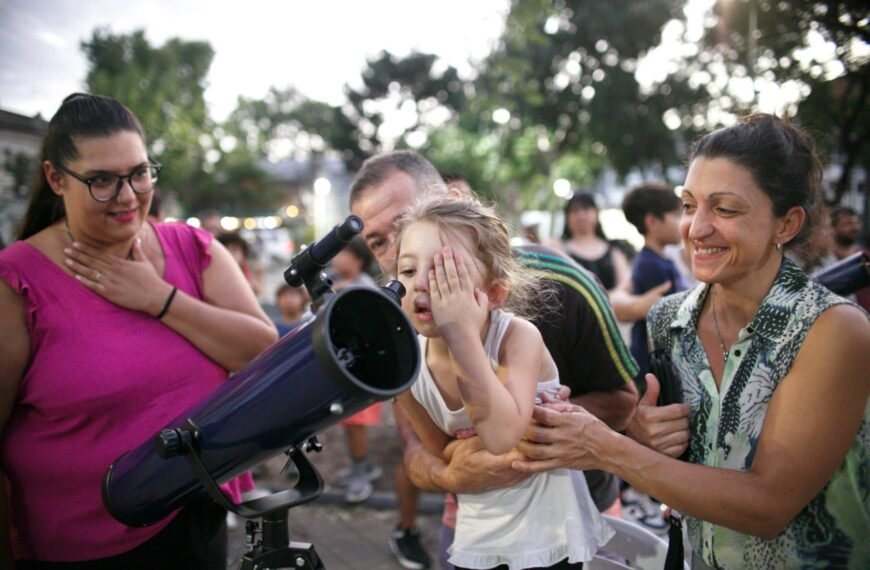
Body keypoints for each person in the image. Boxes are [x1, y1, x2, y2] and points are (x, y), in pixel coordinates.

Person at [514, 113, 870, 569]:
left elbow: (768, 506)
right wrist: (644, 434)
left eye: (724, 209)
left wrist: (607, 446)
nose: (696, 228)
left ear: (786, 224)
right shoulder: (670, 319)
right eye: (688, 204)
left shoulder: (834, 330)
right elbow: (674, 465)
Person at [0, 93, 279, 567]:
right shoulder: (18, 278)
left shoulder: (192, 248)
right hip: (80, 547)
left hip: (198, 519)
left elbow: (261, 354)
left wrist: (160, 299)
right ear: (55, 179)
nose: (128, 196)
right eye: (102, 180)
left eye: (139, 172)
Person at [349, 151, 638, 570]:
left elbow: (623, 401)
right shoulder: (409, 349)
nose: (400, 260)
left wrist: (465, 338)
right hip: (478, 525)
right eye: (381, 245)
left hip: (559, 529)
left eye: (443, 266)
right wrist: (450, 469)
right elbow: (431, 449)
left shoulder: (547, 303)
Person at [394, 196, 612, 569]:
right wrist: (464, 451)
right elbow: (441, 451)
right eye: (408, 271)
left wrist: (460, 334)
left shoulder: (517, 339)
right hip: (480, 535)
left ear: (493, 293)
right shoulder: (406, 367)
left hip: (550, 537)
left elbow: (499, 437)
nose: (421, 285)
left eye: (447, 273)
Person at [328, 237, 385, 504]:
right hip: (344, 366)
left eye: (342, 254)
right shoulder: (336, 282)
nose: (336, 259)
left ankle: (362, 473)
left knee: (357, 423)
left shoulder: (363, 288)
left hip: (362, 369)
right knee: (349, 423)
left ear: (358, 261)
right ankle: (360, 466)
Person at [620, 182, 685, 372]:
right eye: (675, 215)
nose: (681, 221)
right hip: (654, 366)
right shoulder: (651, 265)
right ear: (652, 222)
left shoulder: (659, 260)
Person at [558, 191, 630, 293]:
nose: (581, 215)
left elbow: (625, 285)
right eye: (575, 210)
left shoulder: (613, 250)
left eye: (586, 209)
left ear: (596, 213)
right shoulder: (558, 249)